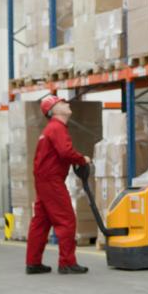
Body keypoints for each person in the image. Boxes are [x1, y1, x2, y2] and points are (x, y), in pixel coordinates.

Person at [25, 95, 91, 275]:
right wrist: (82, 159)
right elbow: (65, 152)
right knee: (66, 219)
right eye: (62, 103)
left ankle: (33, 262)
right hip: (51, 180)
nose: (67, 103)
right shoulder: (57, 127)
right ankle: (67, 263)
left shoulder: (51, 129)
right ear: (53, 110)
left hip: (43, 179)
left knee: (41, 221)